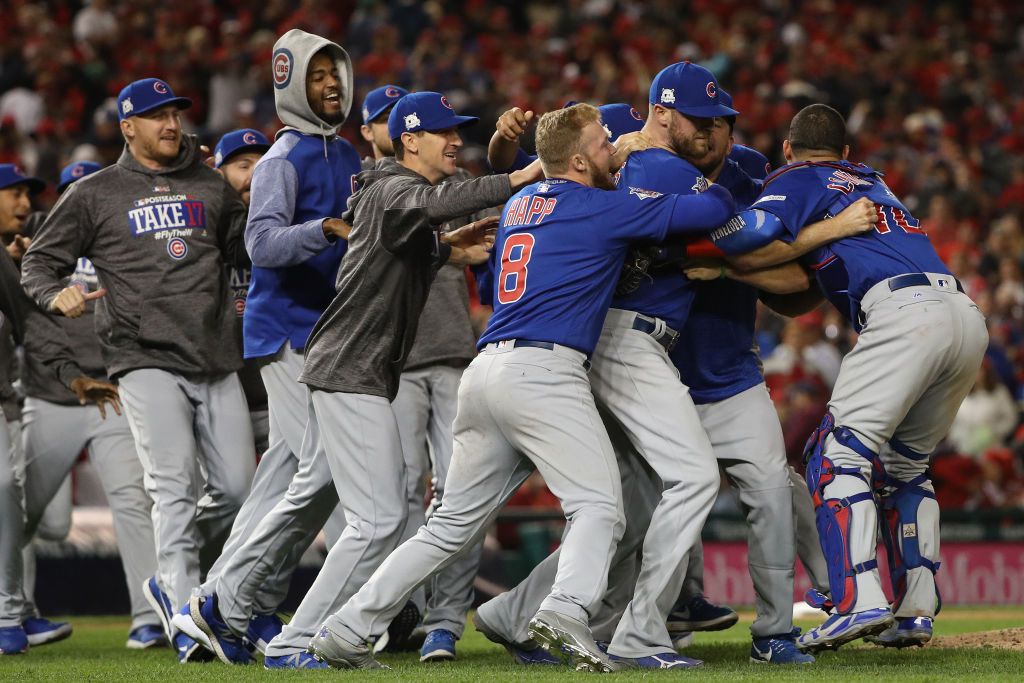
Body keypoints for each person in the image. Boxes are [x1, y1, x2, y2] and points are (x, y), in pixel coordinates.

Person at [306, 102, 736, 672]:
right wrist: (655, 156)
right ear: (580, 161)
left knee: (447, 528)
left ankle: (346, 628)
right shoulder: (602, 208)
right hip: (543, 371)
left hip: (485, 375)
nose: (618, 151)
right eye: (607, 144)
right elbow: (715, 206)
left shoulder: (519, 204)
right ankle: (566, 608)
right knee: (600, 507)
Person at [179, 90, 534, 669]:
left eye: (458, 131)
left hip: (348, 366)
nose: (455, 140)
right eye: (443, 132)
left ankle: (221, 602)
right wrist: (522, 175)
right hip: (350, 370)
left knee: (308, 494)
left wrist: (444, 248)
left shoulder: (390, 196)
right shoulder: (397, 188)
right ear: (409, 139)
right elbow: (437, 203)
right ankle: (296, 641)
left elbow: (397, 246)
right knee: (380, 519)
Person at [20, 77, 256, 662]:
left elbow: (242, 254)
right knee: (172, 488)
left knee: (237, 491)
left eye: (175, 114)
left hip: (216, 357)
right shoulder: (94, 193)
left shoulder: (211, 185)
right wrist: (56, 296)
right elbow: (37, 268)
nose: (169, 125)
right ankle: (181, 616)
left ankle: (168, 575)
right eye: (155, 117)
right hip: (141, 358)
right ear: (128, 127)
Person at [742, 104, 988, 652]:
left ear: (787, 148)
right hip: (964, 314)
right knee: (905, 466)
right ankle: (915, 610)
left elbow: (751, 241)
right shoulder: (872, 181)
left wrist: (721, 263)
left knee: (836, 456)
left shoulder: (798, 177)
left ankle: (858, 601)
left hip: (904, 315)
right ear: (847, 153)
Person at [172, 31, 363, 669]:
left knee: (285, 469)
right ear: (290, 85)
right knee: (324, 470)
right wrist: (323, 230)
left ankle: (212, 598)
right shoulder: (284, 156)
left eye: (335, 72)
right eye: (317, 76)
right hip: (287, 329)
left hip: (322, 330)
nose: (331, 84)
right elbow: (262, 244)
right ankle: (229, 598)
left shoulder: (343, 152)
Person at [18, 160, 166, 651]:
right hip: (49, 396)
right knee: (32, 515)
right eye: (69, 193)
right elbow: (29, 316)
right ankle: (13, 610)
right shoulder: (36, 241)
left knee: (133, 501)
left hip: (110, 393)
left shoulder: (125, 235)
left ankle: (149, 618)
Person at [0, 169, 120, 654]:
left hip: (5, 400)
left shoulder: (11, 262)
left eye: (29, 192)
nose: (25, 201)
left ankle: (12, 613)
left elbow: (34, 327)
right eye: (14, 192)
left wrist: (71, 376)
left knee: (7, 489)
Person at [212, 129, 272, 453]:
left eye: (263, 165)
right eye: (243, 165)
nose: (255, 175)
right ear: (218, 173)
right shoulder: (201, 229)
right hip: (220, 393)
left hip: (276, 393)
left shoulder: (289, 227)